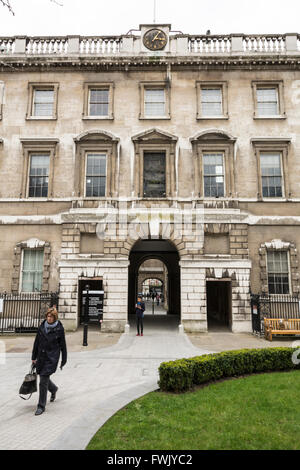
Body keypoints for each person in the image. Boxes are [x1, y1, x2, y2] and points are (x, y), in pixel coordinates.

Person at [31, 306, 67, 416]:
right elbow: (36, 342)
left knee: (43, 380)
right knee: (43, 377)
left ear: (55, 318)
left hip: (52, 357)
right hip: (41, 356)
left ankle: (41, 406)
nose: (49, 318)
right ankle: (54, 389)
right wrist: (33, 357)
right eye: (48, 316)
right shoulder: (42, 327)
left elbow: (63, 346)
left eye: (51, 317)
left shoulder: (59, 329)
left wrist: (63, 360)